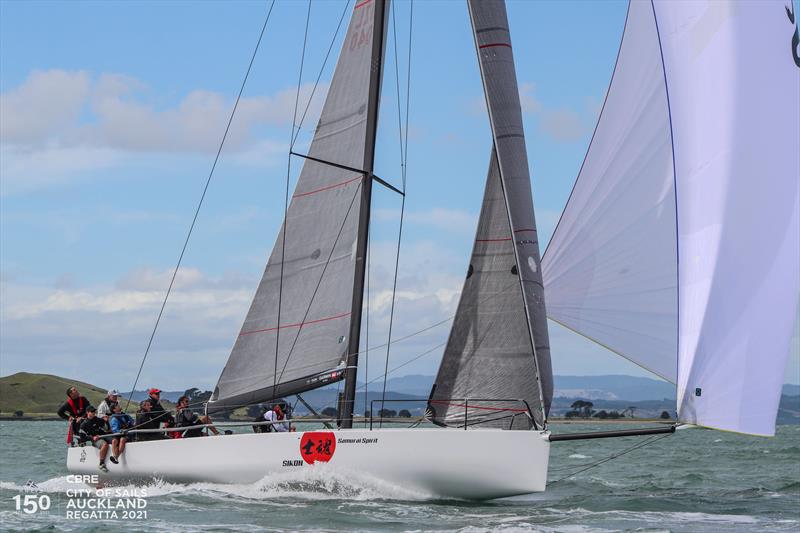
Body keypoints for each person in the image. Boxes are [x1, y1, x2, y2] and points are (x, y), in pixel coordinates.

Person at [78, 407, 111, 472]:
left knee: (115, 440)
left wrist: (106, 422)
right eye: (92, 411)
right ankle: (101, 464)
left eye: (94, 412)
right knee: (104, 444)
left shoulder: (99, 420)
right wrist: (92, 438)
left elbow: (107, 429)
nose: (94, 413)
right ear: (87, 412)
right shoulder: (84, 424)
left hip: (104, 436)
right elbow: (82, 437)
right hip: (95, 440)